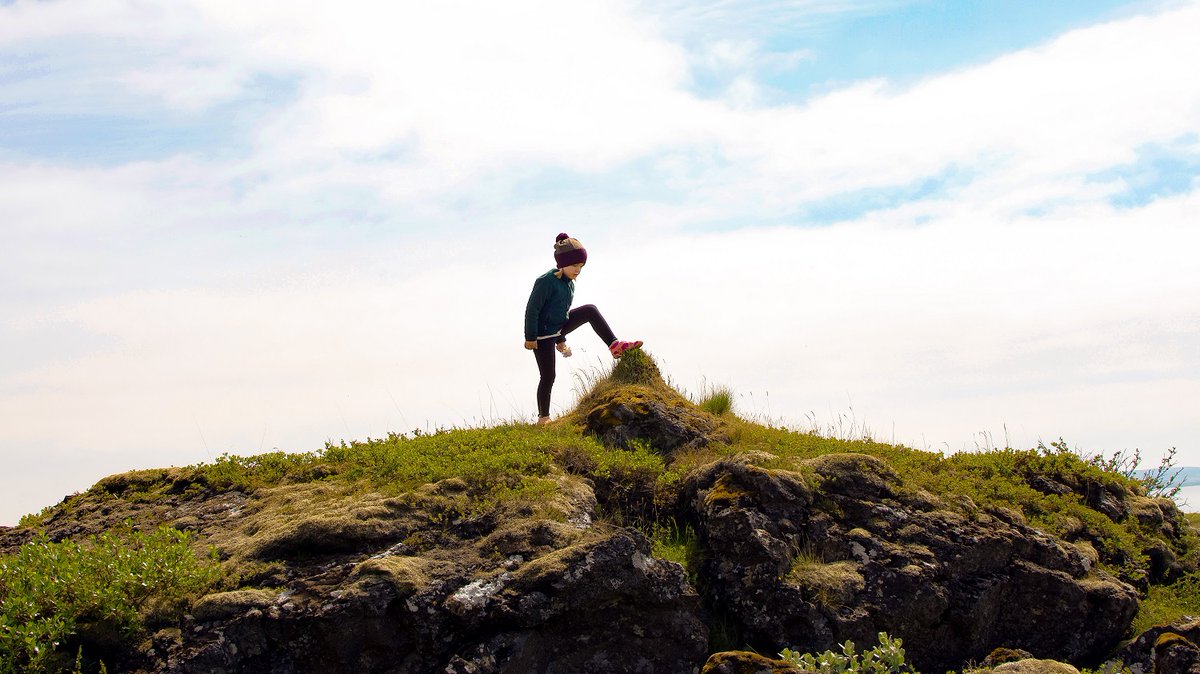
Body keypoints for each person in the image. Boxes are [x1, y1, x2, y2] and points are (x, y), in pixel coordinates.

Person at [524, 233, 642, 425]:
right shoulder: (546, 281)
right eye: (574, 266)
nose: (578, 270)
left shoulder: (569, 283)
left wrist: (561, 338)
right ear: (562, 263)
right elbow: (533, 309)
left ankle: (615, 346)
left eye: (581, 266)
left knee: (590, 310)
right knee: (548, 376)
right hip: (542, 335)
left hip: (557, 329)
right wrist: (530, 337)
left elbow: (560, 312)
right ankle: (543, 418)